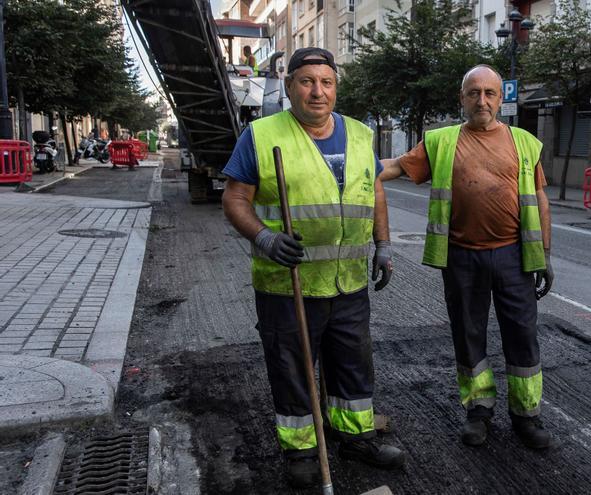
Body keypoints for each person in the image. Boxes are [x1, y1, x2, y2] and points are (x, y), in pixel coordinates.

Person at [221, 47, 405, 488]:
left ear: (335, 87)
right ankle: (302, 448)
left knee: (353, 365)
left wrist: (382, 243)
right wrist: (264, 237)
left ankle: (355, 436)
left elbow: (374, 191)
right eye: (306, 82)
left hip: (348, 282)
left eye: (326, 82)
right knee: (292, 368)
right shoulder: (262, 135)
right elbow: (234, 199)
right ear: (290, 88)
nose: (317, 91)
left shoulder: (361, 134)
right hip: (288, 283)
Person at [380, 64, 555, 450]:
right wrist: (350, 169)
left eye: (490, 93)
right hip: (462, 257)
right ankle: (479, 412)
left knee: (522, 335)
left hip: (514, 257)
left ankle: (527, 416)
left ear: (501, 97)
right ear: (462, 99)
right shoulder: (441, 141)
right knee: (468, 334)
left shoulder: (524, 142)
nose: (482, 100)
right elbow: (395, 167)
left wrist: (545, 252)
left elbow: (540, 197)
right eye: (473, 93)